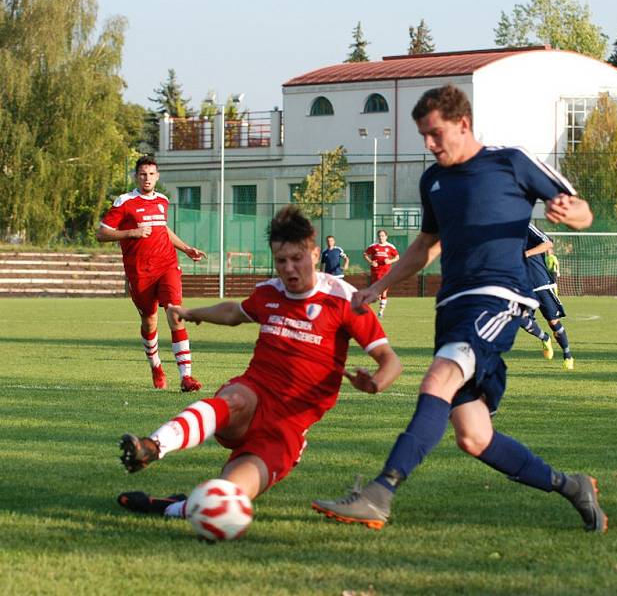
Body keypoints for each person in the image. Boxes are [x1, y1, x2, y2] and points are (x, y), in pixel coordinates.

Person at [312, 84, 606, 533]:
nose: (429, 145)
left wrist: (572, 213)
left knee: (438, 380)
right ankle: (573, 486)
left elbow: (582, 210)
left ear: (463, 124)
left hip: (500, 297)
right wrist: (379, 286)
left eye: (435, 134)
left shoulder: (511, 161)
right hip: (451, 305)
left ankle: (379, 493)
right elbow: (426, 247)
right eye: (423, 136)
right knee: (473, 436)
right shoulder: (434, 181)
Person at [116, 206, 402, 516]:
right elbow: (235, 313)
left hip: (286, 428)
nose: (290, 269)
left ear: (315, 254)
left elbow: (390, 361)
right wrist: (192, 313)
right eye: (281, 261)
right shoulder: (269, 292)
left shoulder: (344, 298)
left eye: (297, 259)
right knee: (235, 398)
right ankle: (153, 446)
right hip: (253, 394)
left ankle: (172, 508)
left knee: (224, 502)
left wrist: (374, 383)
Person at [96, 155, 205, 392]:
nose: (147, 178)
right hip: (140, 272)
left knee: (175, 313)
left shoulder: (163, 201)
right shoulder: (124, 202)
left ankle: (186, 376)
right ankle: (155, 365)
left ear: (158, 176)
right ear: (136, 176)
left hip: (167, 266)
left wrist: (186, 248)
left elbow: (162, 229)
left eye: (151, 174)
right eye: (143, 174)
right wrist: (131, 233)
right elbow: (102, 233)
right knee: (149, 321)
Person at [517, 224, 574, 369]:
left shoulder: (526, 226)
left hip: (541, 284)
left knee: (553, 322)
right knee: (522, 320)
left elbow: (548, 243)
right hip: (523, 287)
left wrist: (526, 254)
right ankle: (545, 338)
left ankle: (568, 356)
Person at [363, 229, 400, 317]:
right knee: (375, 291)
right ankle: (372, 304)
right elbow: (365, 254)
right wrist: (371, 262)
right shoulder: (373, 246)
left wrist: (390, 261)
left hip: (386, 272)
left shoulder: (390, 246)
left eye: (383, 236)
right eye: (379, 236)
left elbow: (397, 257)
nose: (381, 237)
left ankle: (381, 312)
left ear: (386, 237)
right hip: (375, 272)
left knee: (384, 290)